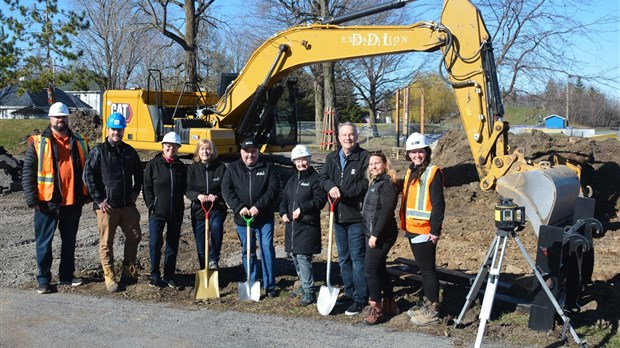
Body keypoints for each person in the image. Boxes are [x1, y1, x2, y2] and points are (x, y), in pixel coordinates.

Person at [22, 102, 90, 294]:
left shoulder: (80, 141)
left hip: (72, 202)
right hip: (46, 203)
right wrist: (31, 199)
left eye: (63, 116)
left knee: (69, 242)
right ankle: (43, 280)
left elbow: (89, 170)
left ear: (68, 118)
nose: (60, 119)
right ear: (50, 119)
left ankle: (67, 276)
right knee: (44, 243)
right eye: (56, 116)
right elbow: (28, 172)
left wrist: (87, 195)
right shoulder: (38, 142)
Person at [83, 112, 143, 293]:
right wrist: (99, 199)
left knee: (135, 236)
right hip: (106, 207)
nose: (116, 132)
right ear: (107, 130)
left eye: (119, 129)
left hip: (126, 205)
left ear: (123, 130)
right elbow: (88, 176)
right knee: (106, 242)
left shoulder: (129, 151)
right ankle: (109, 275)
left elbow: (139, 174)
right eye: (113, 129)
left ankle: (128, 269)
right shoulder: (98, 152)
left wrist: (135, 192)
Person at [319, 122, 370, 315]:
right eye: (344, 135)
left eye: (351, 135)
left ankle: (360, 297)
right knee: (344, 259)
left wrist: (343, 192)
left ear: (356, 136)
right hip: (337, 216)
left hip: (356, 217)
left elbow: (365, 183)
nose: (348, 138)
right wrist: (330, 186)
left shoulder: (363, 157)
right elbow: (322, 178)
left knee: (357, 258)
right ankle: (349, 292)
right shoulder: (332, 158)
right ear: (338, 138)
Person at [222, 138, 280, 298]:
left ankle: (270, 286)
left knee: (267, 248)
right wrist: (239, 207)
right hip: (243, 219)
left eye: (253, 151)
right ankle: (252, 281)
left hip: (264, 218)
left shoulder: (268, 167)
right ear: (241, 152)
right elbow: (227, 190)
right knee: (248, 250)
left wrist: (258, 207)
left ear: (258, 151)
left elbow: (273, 190)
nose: (250, 155)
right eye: (246, 151)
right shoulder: (232, 169)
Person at [400, 132, 445, 326]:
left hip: (425, 230)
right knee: (423, 269)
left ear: (426, 151)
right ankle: (427, 302)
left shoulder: (433, 173)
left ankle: (432, 311)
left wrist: (434, 230)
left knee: (427, 271)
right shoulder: (412, 171)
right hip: (412, 228)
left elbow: (439, 204)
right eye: (413, 152)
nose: (416, 155)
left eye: (420, 152)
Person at [279, 145, 326, 306]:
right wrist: (283, 212)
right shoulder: (292, 180)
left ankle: (309, 291)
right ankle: (304, 284)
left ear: (309, 159)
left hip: (307, 226)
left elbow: (320, 200)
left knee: (303, 257)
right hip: (292, 227)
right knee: (295, 257)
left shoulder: (315, 179)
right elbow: (284, 199)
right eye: (298, 161)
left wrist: (303, 209)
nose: (301, 163)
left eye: (303, 160)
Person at [143, 132, 187, 288]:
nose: (171, 149)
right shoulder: (152, 165)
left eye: (174, 147)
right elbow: (147, 187)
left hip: (175, 213)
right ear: (162, 147)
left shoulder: (180, 167)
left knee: (172, 245)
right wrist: (151, 205)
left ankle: (169, 275)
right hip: (157, 213)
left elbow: (185, 188)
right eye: (168, 146)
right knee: (155, 243)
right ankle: (155, 275)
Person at [361, 150, 400, 325]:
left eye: (377, 163)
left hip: (382, 234)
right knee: (380, 267)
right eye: (371, 164)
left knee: (370, 269)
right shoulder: (376, 182)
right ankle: (390, 303)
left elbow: (386, 212)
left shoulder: (388, 184)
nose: (374, 166)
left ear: (385, 164)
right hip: (372, 232)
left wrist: (375, 235)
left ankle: (376, 307)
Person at [186, 139, 227, 271]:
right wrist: (198, 196)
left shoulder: (221, 168)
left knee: (216, 227)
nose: (205, 151)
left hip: (216, 208)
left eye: (208, 149)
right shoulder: (192, 169)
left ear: (212, 151)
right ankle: (205, 268)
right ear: (198, 151)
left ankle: (214, 259)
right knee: (200, 242)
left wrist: (216, 196)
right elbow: (187, 189)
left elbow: (226, 188)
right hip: (199, 209)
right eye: (202, 149)